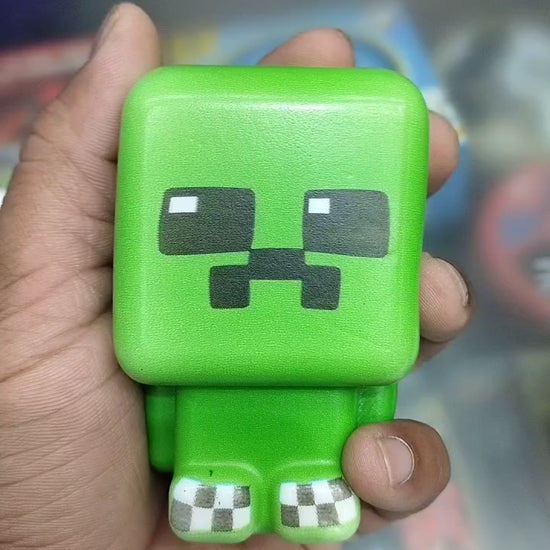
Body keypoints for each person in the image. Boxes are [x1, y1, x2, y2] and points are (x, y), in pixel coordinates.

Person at [0, 4, 474, 549]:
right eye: (214, 218)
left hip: (297, 424)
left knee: (320, 453)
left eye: (331, 219)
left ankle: (272, 484)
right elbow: (374, 389)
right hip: (228, 426)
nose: (275, 248)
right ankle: (246, 485)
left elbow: (375, 381)